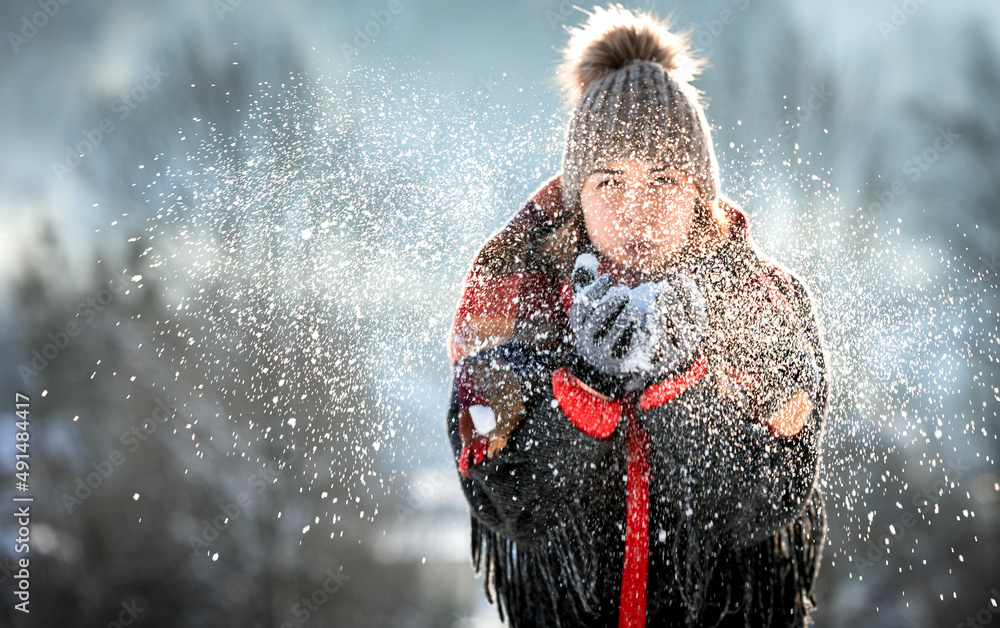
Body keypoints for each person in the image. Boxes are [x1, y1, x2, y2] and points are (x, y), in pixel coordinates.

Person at [445, 6, 828, 627]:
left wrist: (683, 386)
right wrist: (584, 392)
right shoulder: (515, 297)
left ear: (699, 195)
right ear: (576, 199)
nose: (638, 212)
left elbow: (766, 501)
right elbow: (506, 497)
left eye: (664, 181)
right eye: (610, 182)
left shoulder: (764, 305)